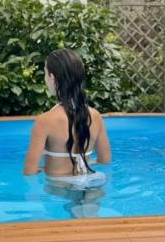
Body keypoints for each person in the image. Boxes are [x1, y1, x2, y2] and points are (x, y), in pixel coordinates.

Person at [23, 49, 111, 188]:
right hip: (91, 182)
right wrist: (86, 163)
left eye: (45, 73)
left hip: (60, 187)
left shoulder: (45, 121)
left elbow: (29, 171)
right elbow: (105, 160)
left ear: (52, 77)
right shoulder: (95, 116)